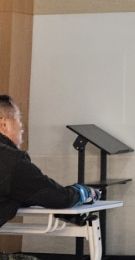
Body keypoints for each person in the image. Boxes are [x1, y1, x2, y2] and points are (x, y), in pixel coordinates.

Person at [0, 95, 99, 227]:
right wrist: (86, 192)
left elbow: (22, 193)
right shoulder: (12, 161)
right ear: (4, 124)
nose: (22, 126)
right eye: (18, 118)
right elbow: (61, 198)